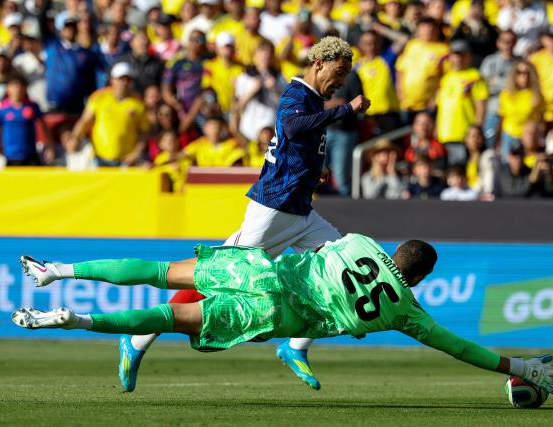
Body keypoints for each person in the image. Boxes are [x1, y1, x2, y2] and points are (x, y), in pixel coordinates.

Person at [15, 233, 553, 398]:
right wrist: (517, 363)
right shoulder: (408, 313)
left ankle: (57, 271)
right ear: (420, 277)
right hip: (270, 314)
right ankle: (77, 321)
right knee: (162, 316)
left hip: (260, 274)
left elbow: (322, 247)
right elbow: (461, 348)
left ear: (395, 249)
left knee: (160, 273)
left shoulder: (357, 242)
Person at [117, 37, 370, 394]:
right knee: (210, 278)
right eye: (339, 72)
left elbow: (294, 143)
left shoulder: (313, 101)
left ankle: (295, 346)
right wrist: (346, 110)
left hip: (300, 212)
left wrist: (316, 169)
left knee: (345, 268)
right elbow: (294, 128)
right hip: (273, 210)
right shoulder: (296, 95)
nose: (342, 81)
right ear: (319, 64)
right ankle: (139, 338)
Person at [68, 62, 149, 167]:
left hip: (125, 161)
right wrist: (75, 138)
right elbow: (85, 121)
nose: (124, 83)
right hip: (99, 158)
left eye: (127, 79)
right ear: (112, 80)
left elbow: (144, 133)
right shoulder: (99, 98)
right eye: (121, 79)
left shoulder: (137, 104)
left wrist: (136, 152)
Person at [436, 39, 488, 167]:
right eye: (455, 55)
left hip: (464, 135)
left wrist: (476, 133)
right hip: (444, 135)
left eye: (462, 55)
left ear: (469, 56)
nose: (458, 59)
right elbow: (441, 107)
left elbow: (481, 106)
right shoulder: (446, 78)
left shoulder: (474, 76)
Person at [0, 75, 52, 166]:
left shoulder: (32, 106)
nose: (17, 89)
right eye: (13, 86)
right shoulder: (0, 108)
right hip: (10, 156)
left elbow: (43, 127)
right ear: (8, 88)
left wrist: (50, 146)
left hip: (30, 155)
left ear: (25, 88)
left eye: (20, 86)